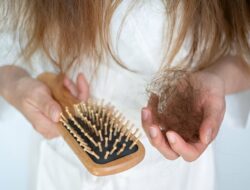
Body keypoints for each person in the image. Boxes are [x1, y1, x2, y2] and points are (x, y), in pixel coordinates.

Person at [0, 0, 250, 190]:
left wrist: (216, 79)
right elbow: (6, 37)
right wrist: (14, 84)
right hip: (65, 164)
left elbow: (244, 53)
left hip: (173, 175)